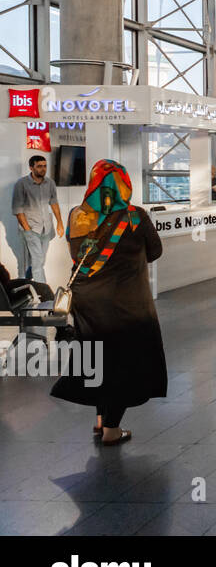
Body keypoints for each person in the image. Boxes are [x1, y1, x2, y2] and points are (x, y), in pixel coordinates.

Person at [51, 160, 165, 446]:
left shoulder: (77, 215)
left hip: (87, 301)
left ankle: (101, 419)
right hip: (127, 302)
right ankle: (111, 430)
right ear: (124, 184)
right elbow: (155, 251)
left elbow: (77, 254)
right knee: (122, 362)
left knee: (98, 356)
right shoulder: (135, 216)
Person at [12, 154, 62, 284]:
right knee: (38, 261)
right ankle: (44, 295)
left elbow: (54, 203)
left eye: (45, 166)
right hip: (30, 228)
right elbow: (18, 210)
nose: (43, 169)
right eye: (39, 166)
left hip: (46, 228)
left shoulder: (50, 183)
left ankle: (27, 279)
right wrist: (27, 230)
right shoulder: (21, 184)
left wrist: (60, 223)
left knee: (40, 260)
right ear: (31, 167)